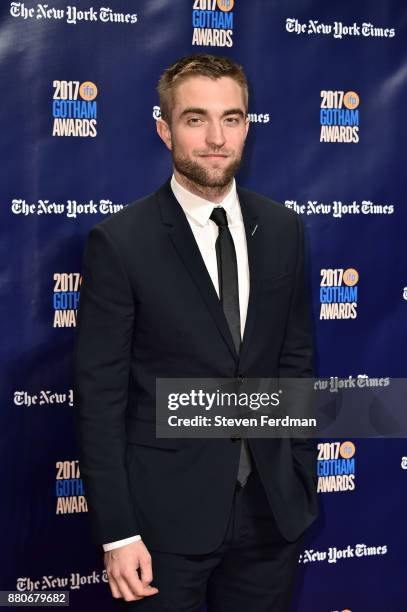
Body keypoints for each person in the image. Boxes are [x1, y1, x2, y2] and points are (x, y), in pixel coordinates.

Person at [73, 53, 319, 611]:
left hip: (270, 515)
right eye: (194, 119)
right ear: (164, 129)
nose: (215, 137)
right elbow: (100, 397)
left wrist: (297, 472)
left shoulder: (282, 229)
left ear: (247, 126)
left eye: (231, 118)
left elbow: (294, 362)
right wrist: (118, 532)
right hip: (162, 526)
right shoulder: (121, 242)